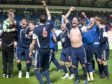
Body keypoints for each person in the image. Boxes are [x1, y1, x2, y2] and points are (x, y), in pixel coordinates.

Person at [29, 1, 53, 84]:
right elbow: (49, 15)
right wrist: (45, 6)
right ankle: (49, 82)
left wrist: (30, 52)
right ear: (46, 20)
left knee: (36, 68)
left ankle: (42, 82)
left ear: (39, 20)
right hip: (48, 50)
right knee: (46, 68)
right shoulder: (49, 26)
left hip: (40, 51)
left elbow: (33, 43)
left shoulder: (36, 29)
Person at [64, 7, 88, 84]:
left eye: (75, 20)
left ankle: (85, 79)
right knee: (74, 66)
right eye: (73, 20)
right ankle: (77, 79)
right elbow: (65, 17)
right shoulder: (69, 27)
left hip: (81, 49)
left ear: (78, 22)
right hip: (73, 50)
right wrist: (70, 10)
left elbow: (89, 25)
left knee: (84, 65)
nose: (74, 21)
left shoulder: (81, 29)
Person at [2, 9, 17, 78]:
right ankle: (4, 72)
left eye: (13, 14)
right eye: (11, 14)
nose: (12, 15)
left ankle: (9, 73)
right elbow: (4, 30)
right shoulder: (5, 22)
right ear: (8, 15)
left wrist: (15, 41)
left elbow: (16, 31)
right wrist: (11, 29)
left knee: (10, 60)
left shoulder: (15, 22)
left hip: (11, 44)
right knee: (4, 60)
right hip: (4, 43)